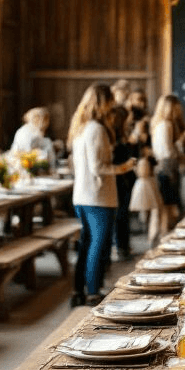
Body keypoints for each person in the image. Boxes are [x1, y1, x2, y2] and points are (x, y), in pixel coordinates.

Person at [68, 83, 137, 307]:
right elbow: (99, 167)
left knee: (87, 244)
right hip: (97, 196)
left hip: (82, 195)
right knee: (98, 244)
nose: (113, 105)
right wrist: (124, 167)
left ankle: (80, 289)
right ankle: (93, 292)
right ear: (104, 102)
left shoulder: (81, 127)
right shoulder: (96, 129)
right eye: (110, 101)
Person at [150, 94, 185, 238]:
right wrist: (180, 145)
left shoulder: (157, 123)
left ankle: (161, 237)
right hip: (168, 167)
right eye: (176, 108)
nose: (178, 112)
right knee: (171, 206)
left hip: (161, 167)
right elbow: (168, 151)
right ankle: (168, 238)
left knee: (165, 205)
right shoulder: (166, 125)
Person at [108, 80, 135, 261]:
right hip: (119, 176)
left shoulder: (122, 136)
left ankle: (123, 246)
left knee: (124, 214)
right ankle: (120, 248)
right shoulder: (113, 137)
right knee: (120, 215)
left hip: (125, 175)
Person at [10, 107, 56, 172]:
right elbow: (27, 153)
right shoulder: (29, 132)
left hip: (29, 168)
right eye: (46, 120)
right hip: (26, 169)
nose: (47, 124)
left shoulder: (29, 130)